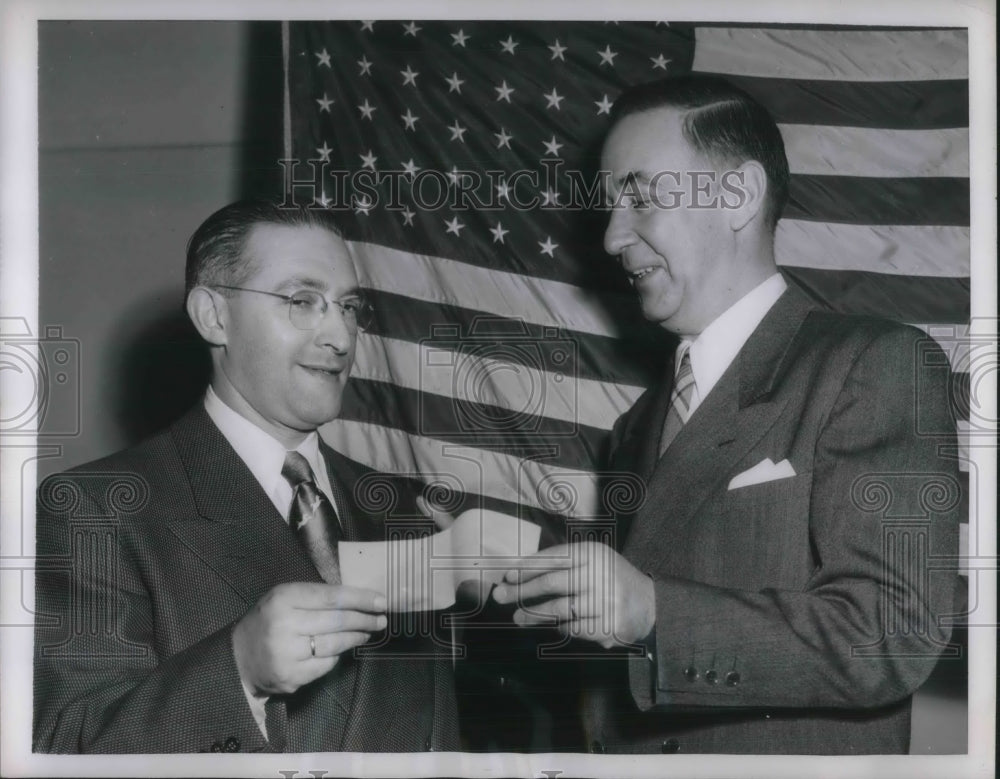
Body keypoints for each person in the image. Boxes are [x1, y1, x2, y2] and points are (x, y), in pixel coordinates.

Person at [491, 76, 961, 754]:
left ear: (737, 196)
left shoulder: (876, 364)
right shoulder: (637, 426)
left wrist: (654, 612)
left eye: (641, 197)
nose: (614, 236)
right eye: (610, 205)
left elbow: (889, 631)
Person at [33, 200, 459, 753]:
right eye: (302, 301)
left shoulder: (409, 514)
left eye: (349, 307)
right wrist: (237, 671)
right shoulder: (97, 509)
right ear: (214, 315)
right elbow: (65, 747)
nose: (341, 337)